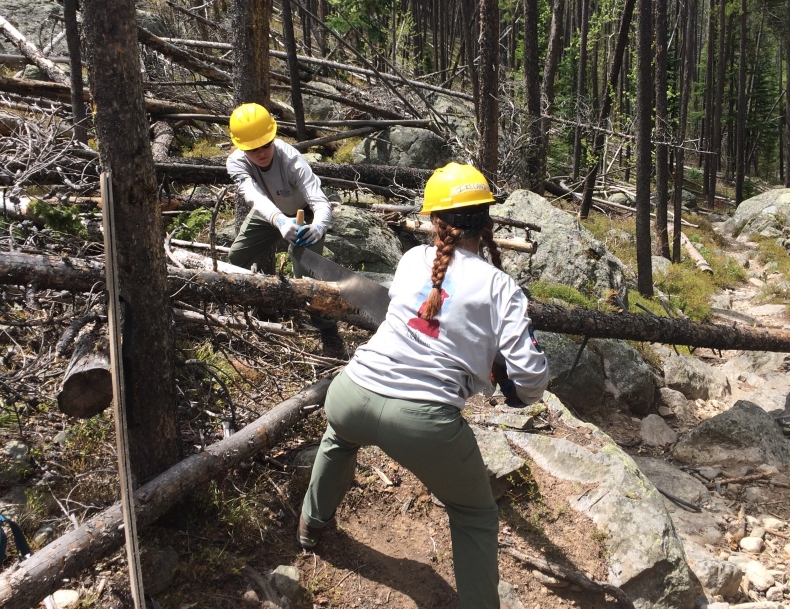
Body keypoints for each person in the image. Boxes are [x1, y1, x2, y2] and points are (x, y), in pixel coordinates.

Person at [298, 162, 549, 609]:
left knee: (339, 437)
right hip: (423, 423)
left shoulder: (414, 258)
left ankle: (311, 526)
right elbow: (530, 377)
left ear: (436, 221)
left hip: (350, 391)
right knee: (474, 514)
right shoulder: (501, 286)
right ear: (487, 221)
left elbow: (414, 313)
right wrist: (513, 391)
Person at [226, 102, 344, 355]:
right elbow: (253, 196)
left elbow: (320, 201)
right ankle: (266, 304)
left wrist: (318, 227)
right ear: (239, 146)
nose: (261, 152)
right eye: (252, 149)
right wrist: (279, 220)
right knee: (236, 258)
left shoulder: (291, 158)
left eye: (266, 145)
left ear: (273, 136)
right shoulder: (235, 163)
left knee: (307, 275)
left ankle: (328, 331)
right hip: (269, 213)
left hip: (304, 212)